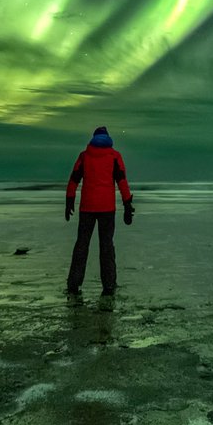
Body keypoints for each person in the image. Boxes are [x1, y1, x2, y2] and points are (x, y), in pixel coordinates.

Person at [65, 125, 134, 297]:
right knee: (107, 246)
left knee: (82, 245)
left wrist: (69, 201)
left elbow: (73, 179)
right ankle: (109, 285)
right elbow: (122, 182)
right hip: (107, 209)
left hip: (87, 207)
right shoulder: (114, 157)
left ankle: (74, 284)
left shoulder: (84, 156)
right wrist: (127, 205)